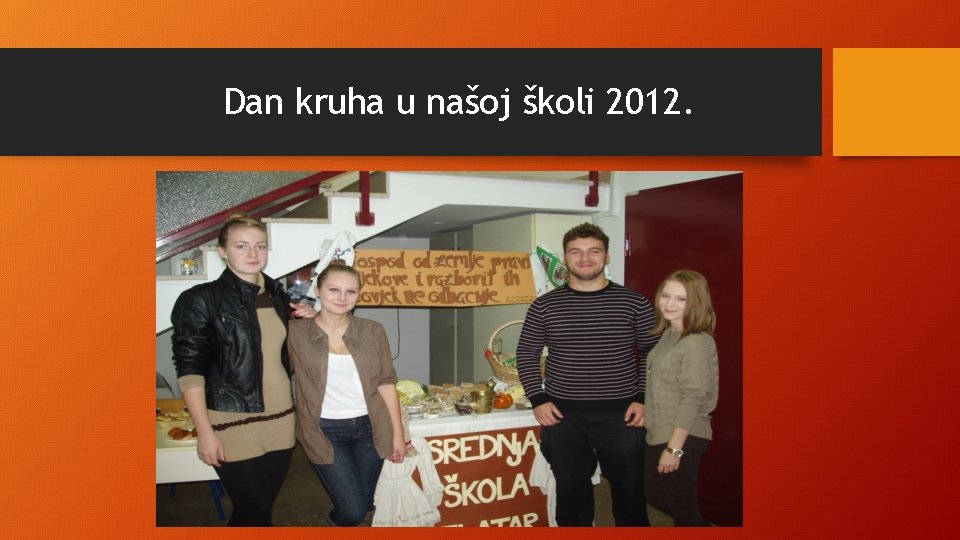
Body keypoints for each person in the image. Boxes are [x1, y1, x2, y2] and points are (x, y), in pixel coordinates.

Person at [170, 212, 316, 526]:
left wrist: (312, 319)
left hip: (280, 417)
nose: (253, 253)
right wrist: (204, 432)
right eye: (241, 246)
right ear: (222, 251)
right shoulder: (200, 299)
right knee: (252, 509)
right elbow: (190, 372)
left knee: (263, 510)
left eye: (260, 246)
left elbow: (287, 351)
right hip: (231, 420)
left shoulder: (277, 296)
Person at [516, 222, 659, 526]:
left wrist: (643, 397)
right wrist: (538, 399)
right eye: (576, 252)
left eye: (594, 251)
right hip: (563, 417)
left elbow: (654, 353)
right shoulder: (544, 306)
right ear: (565, 258)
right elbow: (527, 354)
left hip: (623, 416)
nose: (584, 258)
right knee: (571, 495)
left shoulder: (634, 303)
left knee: (630, 493)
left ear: (607, 256)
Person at [287, 262, 406, 527]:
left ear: (358, 295)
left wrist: (397, 435)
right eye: (334, 290)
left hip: (371, 426)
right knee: (353, 510)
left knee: (365, 503)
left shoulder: (373, 330)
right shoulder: (296, 332)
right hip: (325, 429)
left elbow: (386, 382)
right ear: (317, 291)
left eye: (351, 291)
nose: (342, 297)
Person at [643, 269, 719, 526]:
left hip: (683, 435)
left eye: (681, 299)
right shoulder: (670, 334)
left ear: (696, 302)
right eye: (666, 295)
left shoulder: (695, 341)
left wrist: (674, 450)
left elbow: (692, 397)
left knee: (682, 509)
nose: (669, 303)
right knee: (658, 495)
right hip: (661, 431)